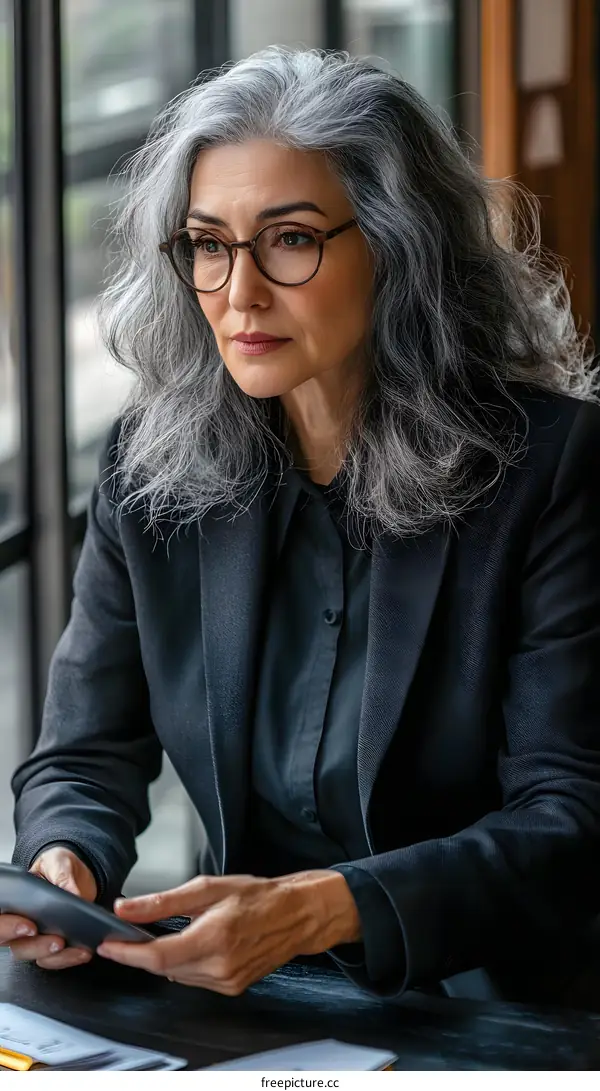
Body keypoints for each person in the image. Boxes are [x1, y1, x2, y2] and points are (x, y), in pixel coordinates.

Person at [4, 46, 600, 1000]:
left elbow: (571, 819)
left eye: (289, 239)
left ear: (401, 245)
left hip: (500, 1012)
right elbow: (84, 752)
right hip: (248, 1004)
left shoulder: (555, 468)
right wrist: (64, 856)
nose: (238, 292)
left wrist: (330, 907)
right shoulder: (148, 466)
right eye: (206, 242)